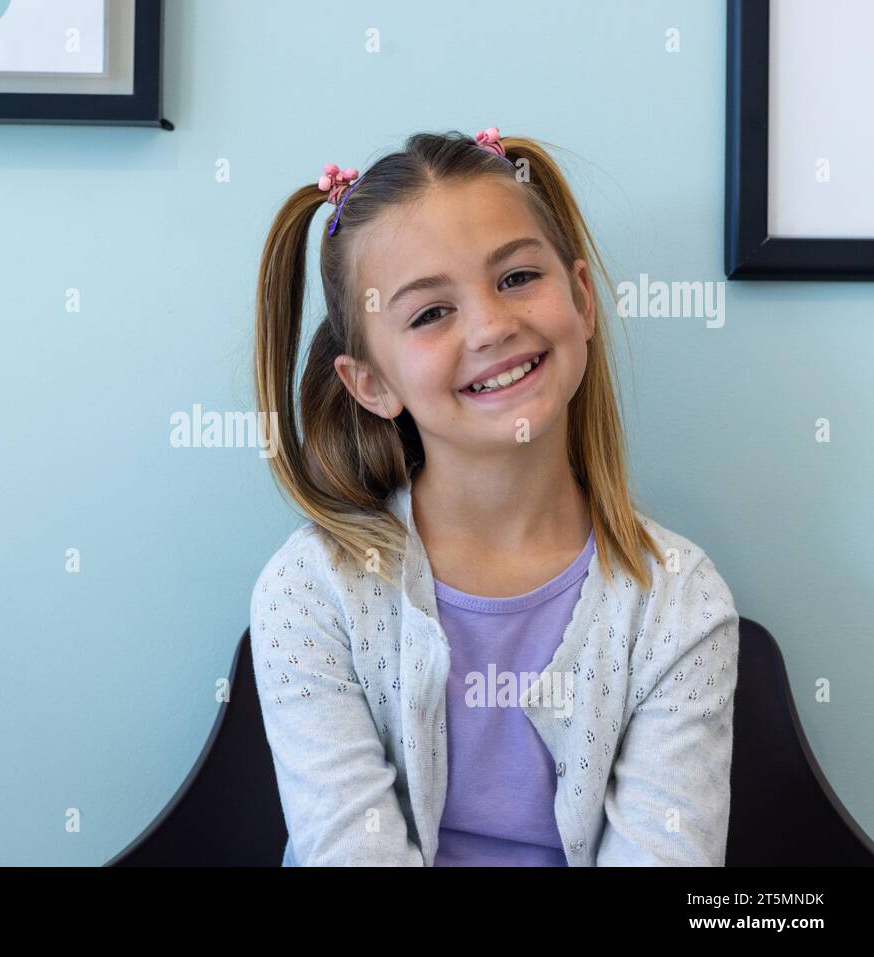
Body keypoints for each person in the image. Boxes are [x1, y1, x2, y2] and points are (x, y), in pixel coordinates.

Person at [250, 128, 739, 866]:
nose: (491, 326)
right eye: (429, 313)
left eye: (516, 278)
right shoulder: (311, 593)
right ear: (371, 384)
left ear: (581, 298)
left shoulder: (681, 601)